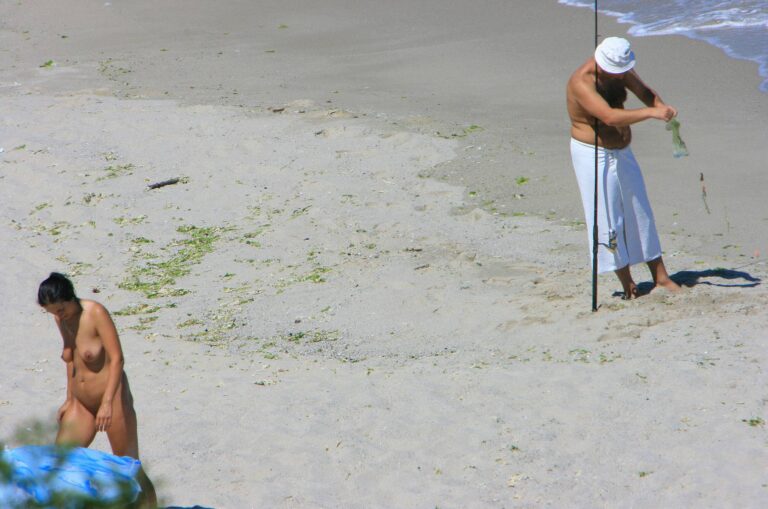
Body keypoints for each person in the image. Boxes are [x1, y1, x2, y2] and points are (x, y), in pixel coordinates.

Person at [566, 36, 681, 299]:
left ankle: (660, 277)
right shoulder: (581, 82)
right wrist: (650, 114)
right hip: (592, 154)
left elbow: (645, 93)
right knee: (608, 217)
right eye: (615, 71)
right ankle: (627, 283)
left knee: (640, 209)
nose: (621, 76)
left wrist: (660, 107)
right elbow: (609, 116)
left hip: (622, 151)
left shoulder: (620, 70)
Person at [38, 272, 157, 507]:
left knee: (129, 467)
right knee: (59, 462)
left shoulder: (96, 312)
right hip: (81, 404)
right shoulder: (61, 319)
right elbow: (72, 360)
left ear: (69, 297)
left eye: (60, 310)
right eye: (52, 312)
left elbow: (117, 359)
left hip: (111, 400)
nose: (58, 316)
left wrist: (106, 403)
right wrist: (69, 398)